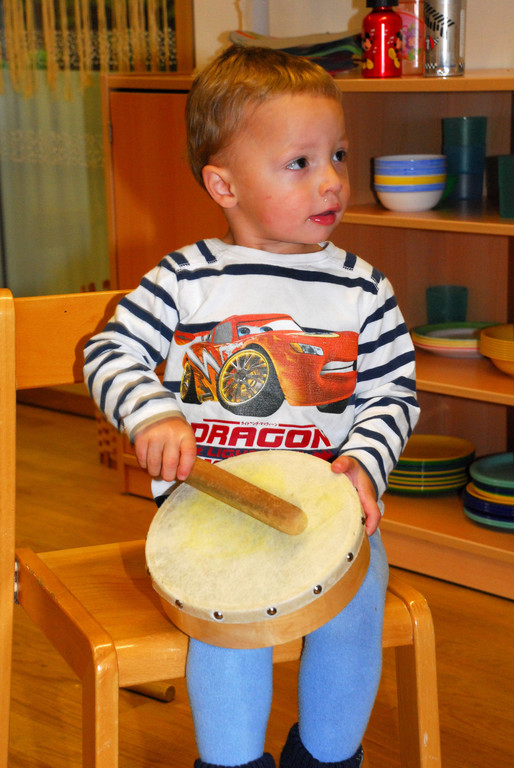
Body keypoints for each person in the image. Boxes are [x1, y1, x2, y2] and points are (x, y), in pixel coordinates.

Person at [84, 44, 419, 768]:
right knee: (227, 627)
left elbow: (394, 392)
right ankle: (231, 763)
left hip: (328, 512)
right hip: (214, 514)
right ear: (224, 184)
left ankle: (328, 757)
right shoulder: (185, 279)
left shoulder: (364, 289)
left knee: (357, 605)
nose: (330, 180)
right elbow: (107, 353)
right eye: (299, 162)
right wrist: (152, 413)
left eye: (337, 155)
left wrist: (364, 464)